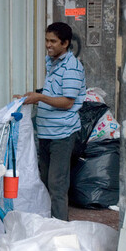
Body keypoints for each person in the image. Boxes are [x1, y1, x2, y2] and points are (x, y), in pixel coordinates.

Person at [15, 22, 86, 221]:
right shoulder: (52, 62)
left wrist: (40, 98)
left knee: (57, 184)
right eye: (46, 40)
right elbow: (52, 93)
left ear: (65, 43)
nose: (48, 45)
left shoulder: (72, 67)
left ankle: (60, 229)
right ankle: (48, 225)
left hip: (62, 135)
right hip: (46, 133)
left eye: (53, 41)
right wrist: (28, 97)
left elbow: (67, 101)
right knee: (45, 181)